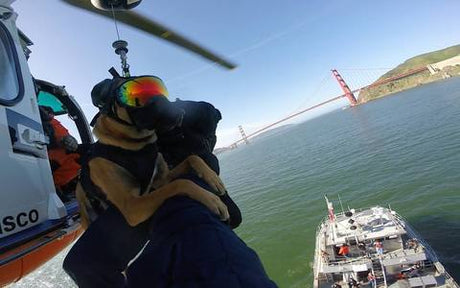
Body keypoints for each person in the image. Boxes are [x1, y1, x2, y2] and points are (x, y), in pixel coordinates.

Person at [64, 76, 274, 287]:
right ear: (110, 110)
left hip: (153, 207)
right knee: (79, 264)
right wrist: (184, 186)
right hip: (119, 212)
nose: (150, 101)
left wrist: (195, 162)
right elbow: (133, 213)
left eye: (152, 90)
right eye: (133, 97)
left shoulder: (145, 138)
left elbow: (161, 181)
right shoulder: (105, 159)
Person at [39, 105, 80, 200]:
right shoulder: (48, 122)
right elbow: (53, 137)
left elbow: (59, 137)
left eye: (49, 113)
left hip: (56, 159)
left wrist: (66, 140)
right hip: (49, 161)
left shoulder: (53, 123)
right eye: (47, 112)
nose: (49, 114)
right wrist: (63, 140)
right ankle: (54, 188)